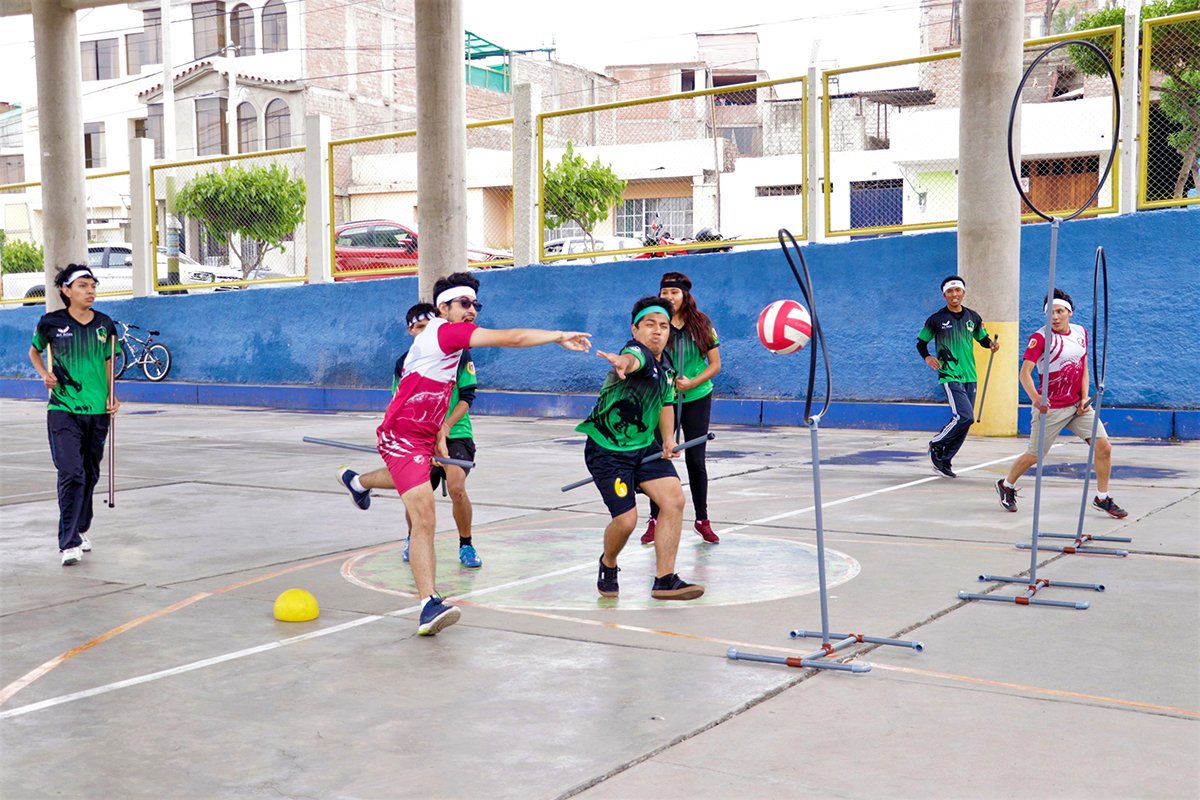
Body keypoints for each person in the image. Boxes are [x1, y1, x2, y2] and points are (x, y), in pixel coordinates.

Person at [335, 272, 591, 636]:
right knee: (424, 515)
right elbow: (513, 338)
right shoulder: (443, 332)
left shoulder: (449, 348)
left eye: (475, 305)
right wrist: (559, 335)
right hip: (401, 434)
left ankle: (358, 482)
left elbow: (438, 396)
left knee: (409, 480)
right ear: (443, 308)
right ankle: (428, 604)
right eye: (464, 304)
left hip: (425, 433)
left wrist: (438, 434)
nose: (472, 310)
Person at [579, 296, 705, 602]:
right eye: (649, 324)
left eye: (663, 325)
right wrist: (622, 362)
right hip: (608, 449)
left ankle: (665, 579)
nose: (657, 331)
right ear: (635, 330)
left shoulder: (668, 366)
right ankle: (609, 562)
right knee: (626, 521)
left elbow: (665, 403)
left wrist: (668, 439)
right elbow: (631, 360)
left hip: (645, 447)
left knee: (673, 500)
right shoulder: (637, 353)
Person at [347, 302, 483, 569]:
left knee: (456, 487)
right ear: (410, 331)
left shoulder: (458, 354)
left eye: (429, 326)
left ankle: (466, 544)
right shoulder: (405, 362)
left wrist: (444, 427)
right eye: (419, 327)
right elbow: (400, 402)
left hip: (455, 431)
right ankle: (413, 536)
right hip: (418, 434)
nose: (425, 331)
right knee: (417, 492)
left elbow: (467, 398)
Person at [995, 288, 1127, 518]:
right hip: (1050, 409)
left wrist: (1084, 397)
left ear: (1070, 312)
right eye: (1050, 313)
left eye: (1059, 312)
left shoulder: (1080, 332)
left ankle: (1102, 497)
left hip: (1077, 407)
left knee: (1104, 447)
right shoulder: (1040, 338)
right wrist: (1036, 399)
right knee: (1035, 455)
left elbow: (1082, 365)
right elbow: (1024, 373)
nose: (1055, 317)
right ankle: (1006, 485)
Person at [27, 265, 120, 566]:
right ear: (66, 290)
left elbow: (108, 361)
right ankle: (68, 543)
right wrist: (45, 374)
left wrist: (112, 394)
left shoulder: (105, 325)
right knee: (71, 472)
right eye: (82, 285)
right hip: (62, 409)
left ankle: (79, 529)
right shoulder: (51, 323)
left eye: (92, 285)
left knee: (89, 474)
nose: (90, 291)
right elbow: (34, 351)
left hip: (97, 411)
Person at [642, 271, 721, 545]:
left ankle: (702, 520)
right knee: (659, 457)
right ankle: (654, 519)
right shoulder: (657, 324)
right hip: (664, 399)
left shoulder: (702, 323)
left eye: (674, 292)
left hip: (697, 396)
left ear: (685, 295)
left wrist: (693, 382)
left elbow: (715, 364)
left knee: (696, 460)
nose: (669, 297)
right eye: (665, 292)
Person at [917, 274, 1000, 478]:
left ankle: (945, 460)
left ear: (963, 292)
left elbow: (982, 339)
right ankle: (937, 443)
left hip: (970, 374)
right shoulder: (936, 319)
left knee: (966, 422)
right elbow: (921, 342)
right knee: (965, 416)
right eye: (950, 291)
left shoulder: (973, 317)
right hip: (949, 374)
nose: (954, 294)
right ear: (944, 295)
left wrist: (991, 344)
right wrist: (927, 357)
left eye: (957, 290)